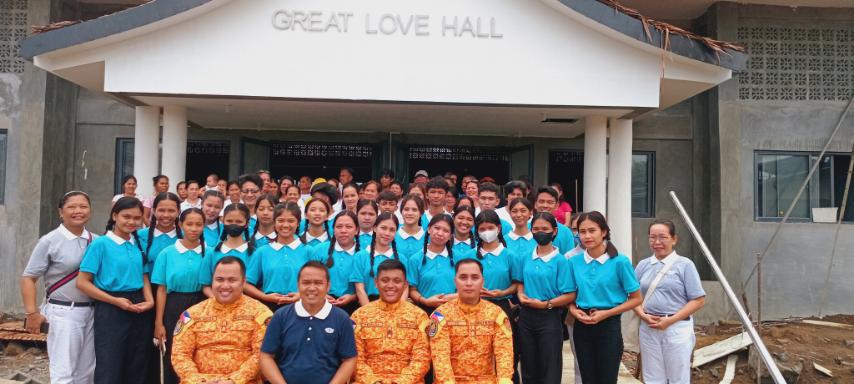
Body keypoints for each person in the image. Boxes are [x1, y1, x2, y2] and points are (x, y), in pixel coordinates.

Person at [20, 191, 97, 384]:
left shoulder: (97, 241)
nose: (78, 211)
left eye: (83, 206)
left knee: (87, 371)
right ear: (60, 212)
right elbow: (29, 278)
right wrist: (32, 314)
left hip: (94, 311)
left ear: (90, 210)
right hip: (64, 312)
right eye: (72, 207)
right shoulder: (50, 241)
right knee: (64, 371)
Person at [77, 197, 154, 384]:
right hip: (111, 307)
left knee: (138, 361)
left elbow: (143, 275)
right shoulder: (100, 244)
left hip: (139, 306)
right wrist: (115, 301)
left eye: (137, 218)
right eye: (126, 216)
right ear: (114, 216)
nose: (132, 222)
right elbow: (83, 282)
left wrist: (150, 300)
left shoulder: (138, 244)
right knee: (111, 362)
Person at [172, 256, 272, 384]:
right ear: (212, 281)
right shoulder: (192, 315)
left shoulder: (260, 313)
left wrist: (233, 381)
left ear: (243, 282)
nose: (225, 286)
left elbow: (262, 355)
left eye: (232, 280)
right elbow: (180, 354)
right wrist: (199, 381)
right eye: (219, 279)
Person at [568, 211, 641, 384]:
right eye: (582, 231)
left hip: (609, 326)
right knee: (587, 379)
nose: (586, 236)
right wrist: (574, 311)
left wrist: (606, 314)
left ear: (604, 232)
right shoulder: (573, 262)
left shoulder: (620, 262)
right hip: (581, 325)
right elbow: (570, 297)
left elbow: (636, 299)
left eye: (592, 230)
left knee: (607, 379)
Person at [260, 261, 357, 384]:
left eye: (318, 283)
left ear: (328, 286)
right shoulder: (281, 316)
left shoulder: (341, 318)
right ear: (298, 285)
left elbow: (349, 359)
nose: (312, 288)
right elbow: (266, 356)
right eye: (306, 283)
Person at [633, 219, 705, 384]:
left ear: (674, 239)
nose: (657, 242)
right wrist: (642, 316)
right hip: (648, 327)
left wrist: (670, 320)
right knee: (652, 377)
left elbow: (698, 300)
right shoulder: (643, 265)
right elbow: (632, 297)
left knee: (678, 377)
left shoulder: (685, 265)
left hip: (676, 328)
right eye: (652, 237)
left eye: (663, 237)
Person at [515, 212, 577, 384]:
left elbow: (570, 294)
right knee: (528, 364)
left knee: (549, 365)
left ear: (554, 231)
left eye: (545, 229)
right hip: (526, 316)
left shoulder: (561, 261)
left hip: (549, 316)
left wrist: (545, 304)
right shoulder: (526, 256)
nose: (540, 232)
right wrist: (521, 294)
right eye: (535, 229)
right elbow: (520, 281)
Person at [428, 259, 514, 384]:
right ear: (455, 281)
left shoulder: (496, 314)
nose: (469, 283)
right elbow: (440, 357)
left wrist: (504, 380)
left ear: (482, 281)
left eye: (475, 277)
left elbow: (504, 353)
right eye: (463, 277)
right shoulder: (440, 315)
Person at [150, 208, 208, 384]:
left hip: (202, 303)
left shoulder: (210, 252)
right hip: (174, 305)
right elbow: (161, 289)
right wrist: (159, 322)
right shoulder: (167, 253)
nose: (193, 228)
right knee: (174, 352)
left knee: (199, 350)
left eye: (198, 224)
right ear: (181, 225)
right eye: (189, 224)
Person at [350, 259, 430, 384]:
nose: (390, 286)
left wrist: (400, 382)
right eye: (385, 280)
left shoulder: (419, 316)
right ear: (376, 282)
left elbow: (422, 358)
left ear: (405, 284)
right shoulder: (359, 315)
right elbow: (354, 358)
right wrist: (373, 381)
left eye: (397, 281)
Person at [246, 202, 309, 311]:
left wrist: (301, 295)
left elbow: (320, 282)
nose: (285, 225)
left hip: (303, 306)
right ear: (274, 222)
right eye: (280, 220)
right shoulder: (262, 251)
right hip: (269, 308)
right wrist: (265, 297)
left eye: (291, 221)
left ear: (298, 223)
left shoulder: (308, 251)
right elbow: (246, 284)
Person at [311, 211, 360, 314]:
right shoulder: (320, 250)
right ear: (333, 229)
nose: (343, 230)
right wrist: (322, 294)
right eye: (339, 226)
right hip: (321, 303)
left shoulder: (363, 254)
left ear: (357, 230)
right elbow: (311, 278)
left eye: (348, 227)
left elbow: (366, 285)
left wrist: (352, 296)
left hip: (354, 306)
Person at [407, 215, 458, 314]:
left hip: (453, 311)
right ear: (429, 229)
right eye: (436, 228)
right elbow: (412, 290)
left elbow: (465, 287)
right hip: (424, 311)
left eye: (446, 231)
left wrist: (449, 298)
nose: (440, 233)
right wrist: (425, 301)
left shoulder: (458, 257)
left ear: (450, 236)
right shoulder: (415, 259)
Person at [198, 203, 255, 292]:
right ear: (223, 221)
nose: (233, 225)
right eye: (229, 221)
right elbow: (205, 286)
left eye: (239, 222)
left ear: (247, 224)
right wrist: (217, 299)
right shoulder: (212, 253)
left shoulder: (254, 254)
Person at [351, 212, 402, 305]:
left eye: (392, 230)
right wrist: (370, 313)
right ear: (374, 228)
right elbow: (359, 288)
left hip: (395, 307)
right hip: (367, 305)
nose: (387, 233)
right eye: (383, 228)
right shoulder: (360, 256)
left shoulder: (401, 258)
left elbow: (405, 288)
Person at [138, 192, 181, 272]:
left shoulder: (186, 237)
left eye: (171, 210)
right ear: (154, 211)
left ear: (178, 212)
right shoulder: (140, 236)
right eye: (161, 210)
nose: (166, 215)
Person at [530, 186, 575, 253]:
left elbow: (569, 258)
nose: (545, 205)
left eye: (550, 202)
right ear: (535, 204)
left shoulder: (566, 232)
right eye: (541, 201)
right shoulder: (525, 229)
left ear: (557, 206)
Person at [396, 195, 426, 260]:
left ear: (421, 213)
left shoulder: (429, 237)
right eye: (406, 209)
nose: (410, 213)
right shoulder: (392, 235)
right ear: (401, 212)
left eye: (414, 210)